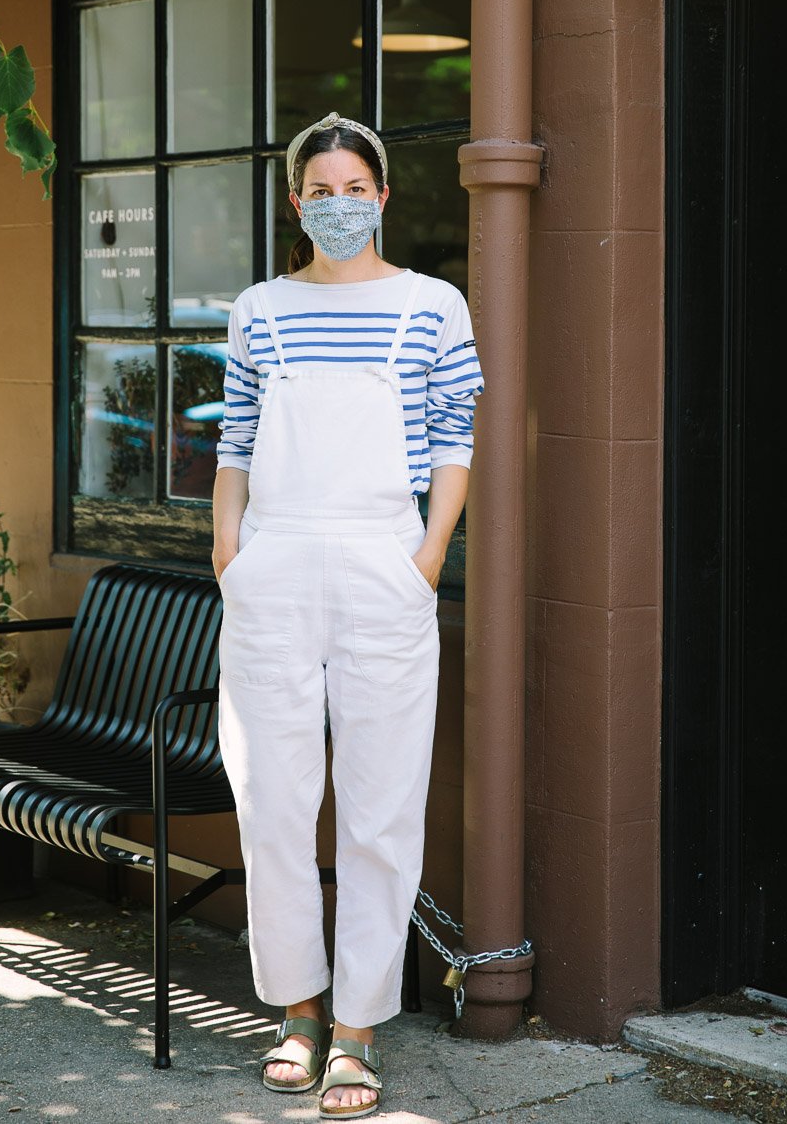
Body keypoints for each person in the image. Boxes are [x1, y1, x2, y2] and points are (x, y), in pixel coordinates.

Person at [212, 112, 483, 1119]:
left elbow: (455, 437)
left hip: (383, 562)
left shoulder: (432, 305)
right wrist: (227, 553)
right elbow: (235, 442)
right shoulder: (259, 309)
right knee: (273, 803)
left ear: (382, 197)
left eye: (352, 189)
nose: (336, 205)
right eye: (316, 192)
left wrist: (425, 560)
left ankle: (357, 1032)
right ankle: (295, 1011)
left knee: (378, 808)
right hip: (273, 564)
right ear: (296, 203)